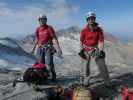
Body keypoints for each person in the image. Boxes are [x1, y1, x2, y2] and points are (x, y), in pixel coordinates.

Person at [80, 11, 110, 86]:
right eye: (89, 19)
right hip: (86, 49)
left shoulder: (99, 30)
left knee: (102, 64)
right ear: (87, 20)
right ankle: (86, 80)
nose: (91, 20)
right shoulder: (84, 30)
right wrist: (81, 50)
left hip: (94, 49)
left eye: (92, 18)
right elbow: (81, 41)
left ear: (94, 19)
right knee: (85, 66)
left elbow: (101, 41)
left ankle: (107, 82)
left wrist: (101, 51)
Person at [32, 14, 62, 81]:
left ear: (46, 20)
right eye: (40, 20)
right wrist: (33, 49)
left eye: (43, 19)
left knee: (49, 63)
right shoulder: (38, 29)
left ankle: (53, 75)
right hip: (40, 47)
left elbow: (54, 38)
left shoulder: (49, 28)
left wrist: (59, 48)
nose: (42, 21)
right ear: (39, 21)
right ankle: (43, 76)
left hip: (48, 47)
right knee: (40, 63)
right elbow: (37, 39)